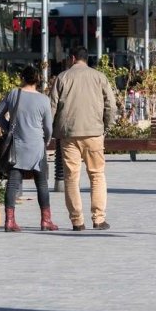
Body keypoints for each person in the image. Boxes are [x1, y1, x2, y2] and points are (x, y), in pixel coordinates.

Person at [49, 45, 117, 231]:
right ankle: (99, 219)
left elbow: (52, 107)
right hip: (94, 133)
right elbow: (111, 105)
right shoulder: (99, 77)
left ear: (72, 58)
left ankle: (77, 221)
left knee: (71, 177)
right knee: (97, 175)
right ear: (87, 59)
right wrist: (106, 127)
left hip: (69, 134)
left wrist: (49, 132)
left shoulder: (62, 77)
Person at [0, 65, 56, 232]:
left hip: (17, 146)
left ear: (22, 78)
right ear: (38, 80)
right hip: (37, 147)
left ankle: (10, 221)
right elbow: (48, 127)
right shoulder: (43, 100)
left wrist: (8, 129)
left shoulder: (14, 94)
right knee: (41, 183)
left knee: (12, 183)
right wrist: (46, 141)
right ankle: (46, 221)